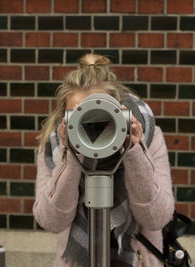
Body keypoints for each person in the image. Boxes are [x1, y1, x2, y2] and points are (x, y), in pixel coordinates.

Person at [33, 54, 175, 267]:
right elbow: (51, 221)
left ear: (118, 112)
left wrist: (134, 151)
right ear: (65, 119)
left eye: (98, 116)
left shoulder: (148, 136)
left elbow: (156, 218)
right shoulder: (54, 145)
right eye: (80, 117)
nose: (92, 128)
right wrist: (69, 155)